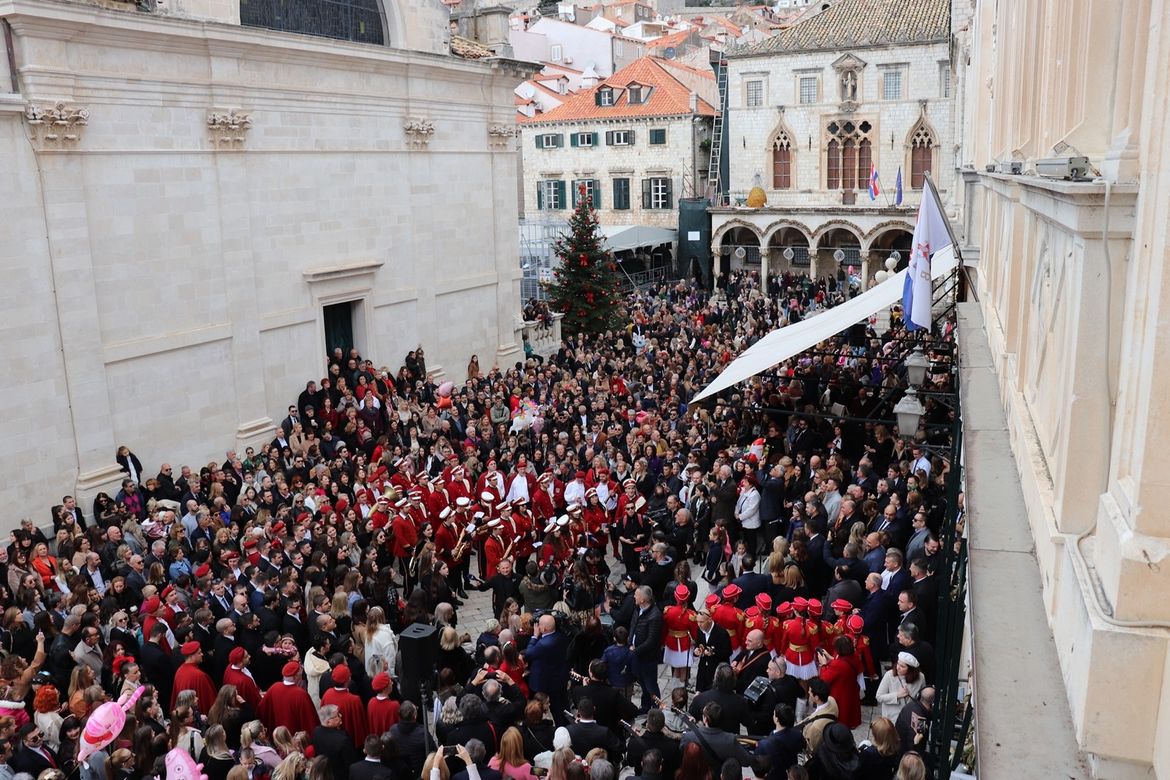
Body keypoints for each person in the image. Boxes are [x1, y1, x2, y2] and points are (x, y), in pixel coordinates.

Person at [678, 702, 755, 772]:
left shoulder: (689, 737)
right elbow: (747, 761)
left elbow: (682, 750)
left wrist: (689, 728)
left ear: (705, 719)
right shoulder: (730, 740)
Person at [258, 662, 320, 737]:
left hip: (278, 736)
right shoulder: (301, 694)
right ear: (295, 676)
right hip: (295, 738)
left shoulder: (274, 687)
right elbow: (310, 721)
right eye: (300, 673)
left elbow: (261, 709)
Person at [628, 586, 663, 713]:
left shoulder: (655, 616)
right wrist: (629, 641)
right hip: (636, 655)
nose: (634, 597)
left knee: (651, 685)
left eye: (636, 595)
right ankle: (645, 706)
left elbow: (651, 641)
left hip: (648, 658)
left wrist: (635, 650)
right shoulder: (638, 609)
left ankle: (656, 710)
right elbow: (633, 625)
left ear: (643, 599)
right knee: (642, 683)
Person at [752, 703, 804, 780]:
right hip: (790, 774)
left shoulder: (764, 744)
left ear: (776, 719)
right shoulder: (798, 735)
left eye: (774, 714)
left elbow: (758, 765)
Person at [313, 704, 359, 780]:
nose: (340, 715)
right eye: (337, 715)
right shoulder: (343, 740)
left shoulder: (316, 731)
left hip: (324, 773)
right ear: (328, 722)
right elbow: (351, 762)